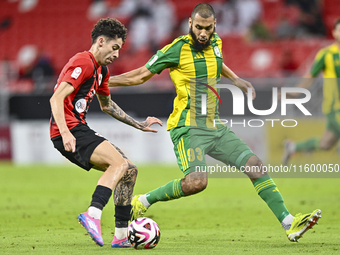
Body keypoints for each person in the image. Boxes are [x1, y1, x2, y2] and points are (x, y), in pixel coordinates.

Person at [109, 3, 321, 242]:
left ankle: (289, 222)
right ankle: (143, 200)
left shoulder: (217, 43)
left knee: (255, 165)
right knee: (197, 182)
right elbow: (140, 75)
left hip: (214, 127)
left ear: (214, 26)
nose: (202, 33)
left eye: (207, 28)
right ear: (190, 23)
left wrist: (237, 79)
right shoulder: (177, 49)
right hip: (188, 128)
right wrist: (105, 81)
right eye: (198, 27)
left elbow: (218, 63)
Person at [49, 18, 163, 247]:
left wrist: (138, 124)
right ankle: (93, 213)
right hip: (69, 129)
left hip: (77, 128)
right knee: (118, 164)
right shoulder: (84, 61)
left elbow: (107, 105)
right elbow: (56, 98)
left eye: (119, 49)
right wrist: (66, 132)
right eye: (114, 48)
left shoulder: (101, 70)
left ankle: (121, 237)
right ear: (101, 41)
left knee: (129, 170)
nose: (117, 54)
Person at [282, 18, 340, 164]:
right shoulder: (326, 54)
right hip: (335, 106)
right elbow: (310, 76)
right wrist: (295, 92)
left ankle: (293, 147)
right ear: (334, 32)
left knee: (325, 144)